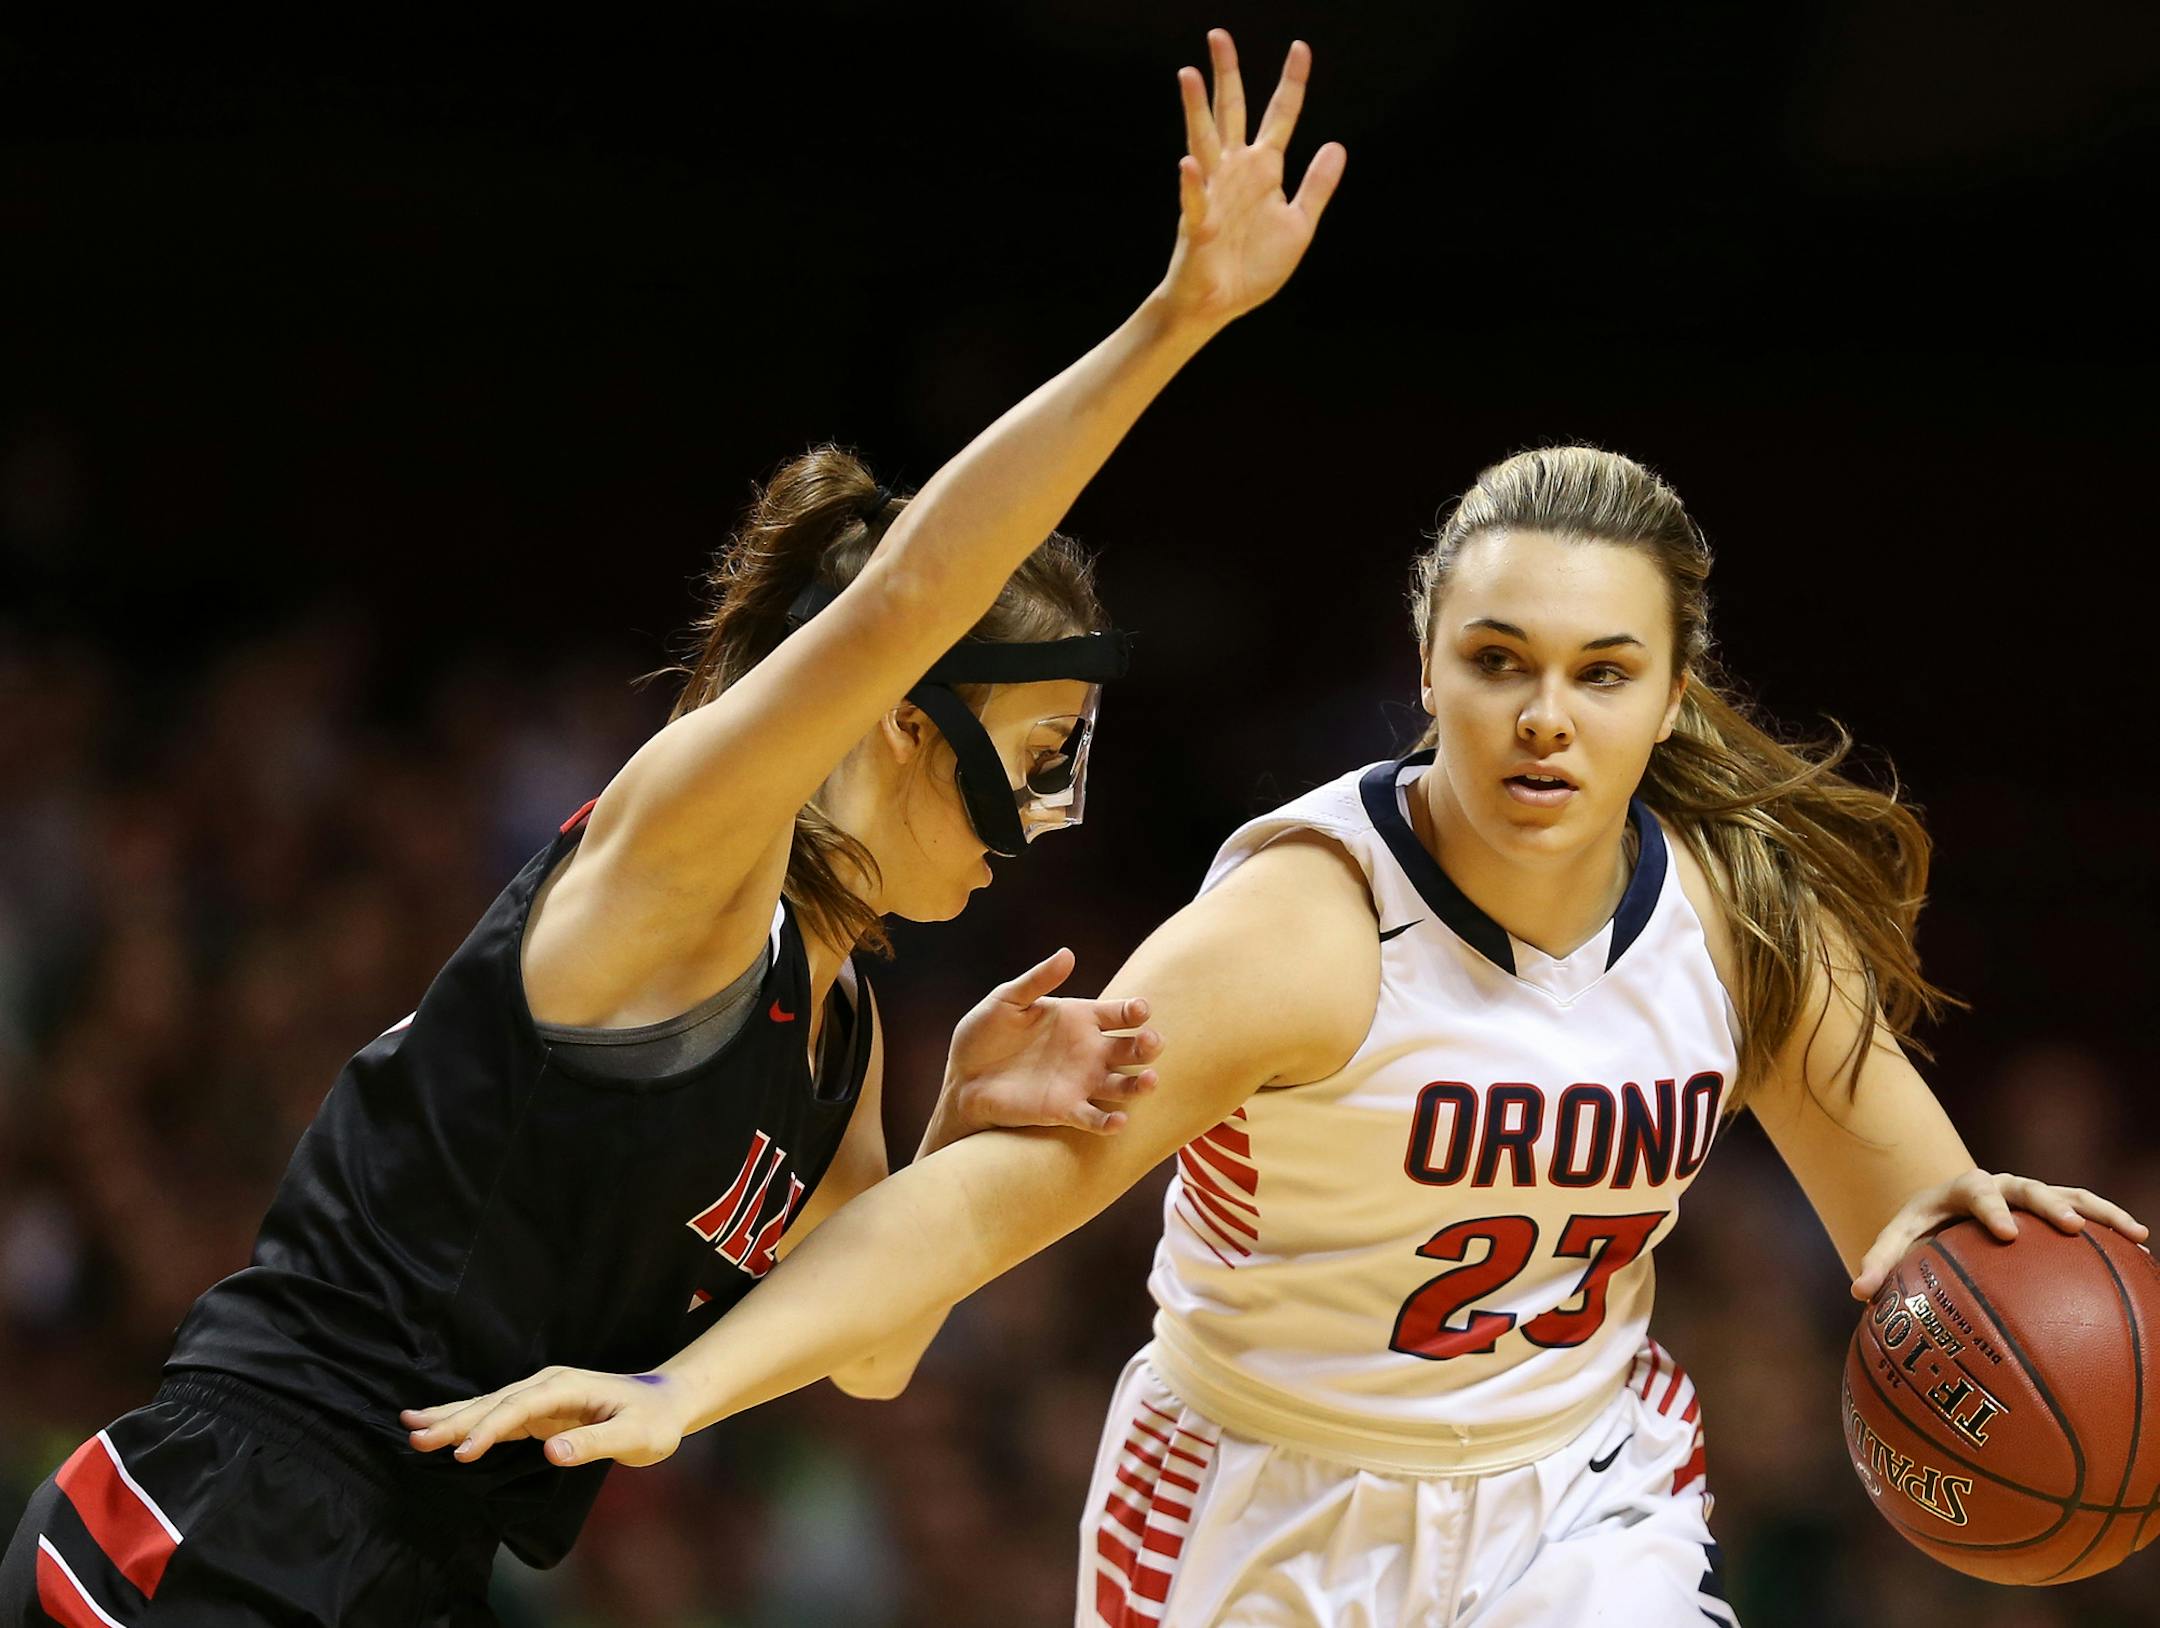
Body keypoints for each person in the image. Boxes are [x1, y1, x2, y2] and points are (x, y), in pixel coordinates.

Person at [0, 28, 1346, 1628]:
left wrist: (955, 1127)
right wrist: (1174, 321)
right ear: (909, 719)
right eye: (1039, 757)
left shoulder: (839, 1023)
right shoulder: (691, 852)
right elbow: (921, 585)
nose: (1046, 824)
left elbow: (873, 1349)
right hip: (239, 1510)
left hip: (408, 1566)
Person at [404, 437, 2145, 1626]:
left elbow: (1913, 1229)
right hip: (1261, 1519)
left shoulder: (1739, 919)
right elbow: (985, 1206)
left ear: (1671, 693)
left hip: (1572, 1497)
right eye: (1498, 660)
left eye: (1604, 673)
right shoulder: (1305, 929)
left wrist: (2012, 1285)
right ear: (1427, 661)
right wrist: (676, 1386)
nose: (1546, 716)